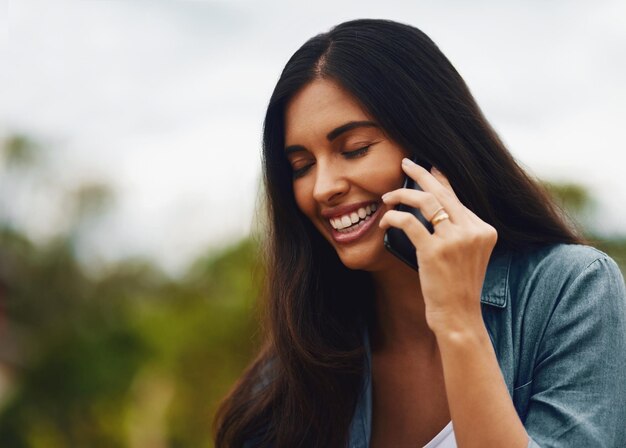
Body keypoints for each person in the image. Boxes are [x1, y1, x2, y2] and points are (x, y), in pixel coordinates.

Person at [213, 19, 626, 448]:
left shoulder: (571, 290)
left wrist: (458, 320)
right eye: (302, 166)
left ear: (433, 144)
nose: (323, 188)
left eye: (354, 149)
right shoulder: (297, 367)